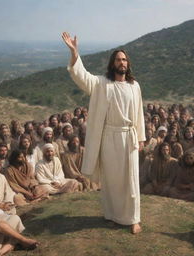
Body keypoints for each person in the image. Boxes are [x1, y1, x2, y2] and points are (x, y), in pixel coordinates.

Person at [62, 32, 146, 234]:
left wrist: (141, 138)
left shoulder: (134, 86)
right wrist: (75, 53)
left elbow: (139, 113)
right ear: (112, 63)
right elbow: (82, 77)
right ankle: (114, 216)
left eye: (124, 59)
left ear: (128, 63)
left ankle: (133, 219)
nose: (122, 62)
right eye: (118, 59)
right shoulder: (102, 84)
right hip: (109, 136)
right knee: (111, 179)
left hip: (129, 136)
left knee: (130, 179)